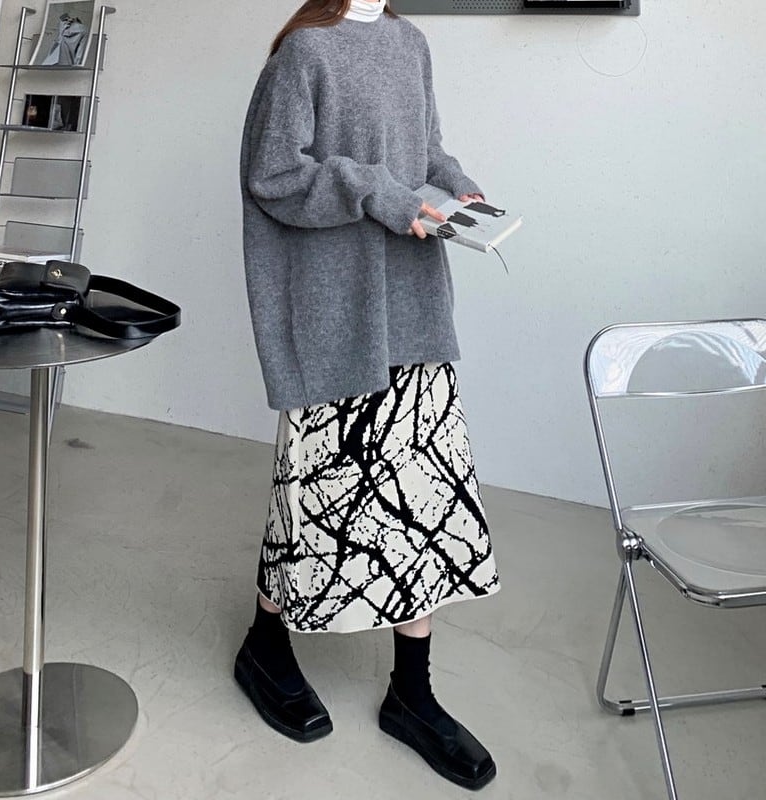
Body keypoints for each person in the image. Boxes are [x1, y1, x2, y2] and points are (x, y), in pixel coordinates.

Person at [236, 0, 500, 790]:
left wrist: (461, 191)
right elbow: (273, 176)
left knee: (423, 496)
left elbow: (426, 152)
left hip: (412, 301)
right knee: (315, 491)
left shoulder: (409, 42)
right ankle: (266, 645)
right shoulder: (304, 53)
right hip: (336, 307)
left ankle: (411, 693)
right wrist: (376, 193)